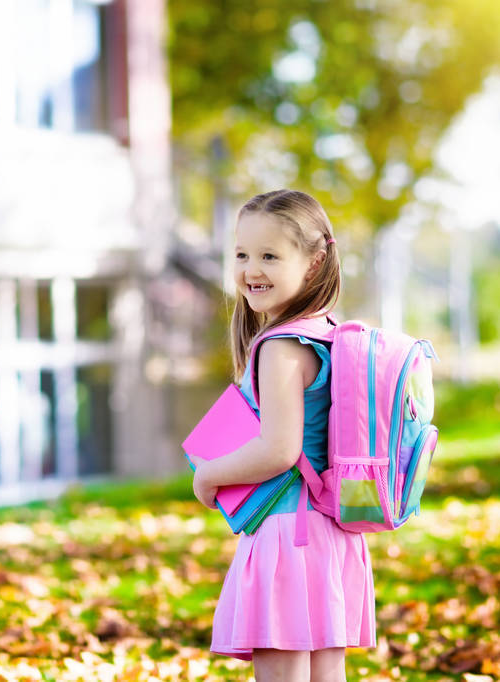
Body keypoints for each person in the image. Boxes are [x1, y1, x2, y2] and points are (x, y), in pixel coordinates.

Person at [187, 189, 376, 681]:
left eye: (270, 255)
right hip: (331, 531)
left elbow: (279, 448)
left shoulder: (279, 347)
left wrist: (209, 475)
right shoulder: (328, 333)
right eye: (242, 254)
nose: (252, 269)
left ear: (314, 263)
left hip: (286, 533)